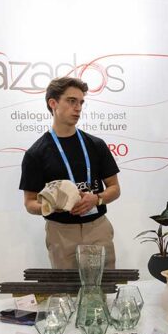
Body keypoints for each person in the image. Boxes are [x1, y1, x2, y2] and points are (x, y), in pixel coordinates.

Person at [20, 77, 121, 269]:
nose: (78, 108)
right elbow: (29, 203)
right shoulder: (36, 153)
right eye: (71, 101)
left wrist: (97, 199)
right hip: (61, 232)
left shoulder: (96, 145)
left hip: (97, 227)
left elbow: (115, 188)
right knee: (67, 293)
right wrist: (51, 206)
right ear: (53, 103)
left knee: (104, 288)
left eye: (81, 102)